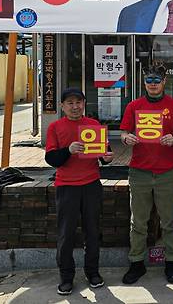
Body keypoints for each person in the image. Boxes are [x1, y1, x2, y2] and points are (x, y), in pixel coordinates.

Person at [118, 64, 173, 285]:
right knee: (138, 221)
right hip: (139, 171)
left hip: (167, 171)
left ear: (164, 81)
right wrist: (126, 138)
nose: (153, 84)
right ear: (144, 82)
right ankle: (136, 262)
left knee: (169, 220)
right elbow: (123, 131)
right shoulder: (134, 106)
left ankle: (171, 262)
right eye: (149, 80)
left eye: (157, 80)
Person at [45, 87, 113, 295]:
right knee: (66, 233)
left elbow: (104, 154)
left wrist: (107, 157)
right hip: (66, 186)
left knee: (92, 231)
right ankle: (66, 277)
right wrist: (68, 150)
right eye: (70, 103)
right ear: (62, 106)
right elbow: (51, 159)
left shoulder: (94, 125)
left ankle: (93, 272)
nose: (75, 107)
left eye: (78, 102)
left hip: (91, 184)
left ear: (84, 104)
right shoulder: (55, 127)